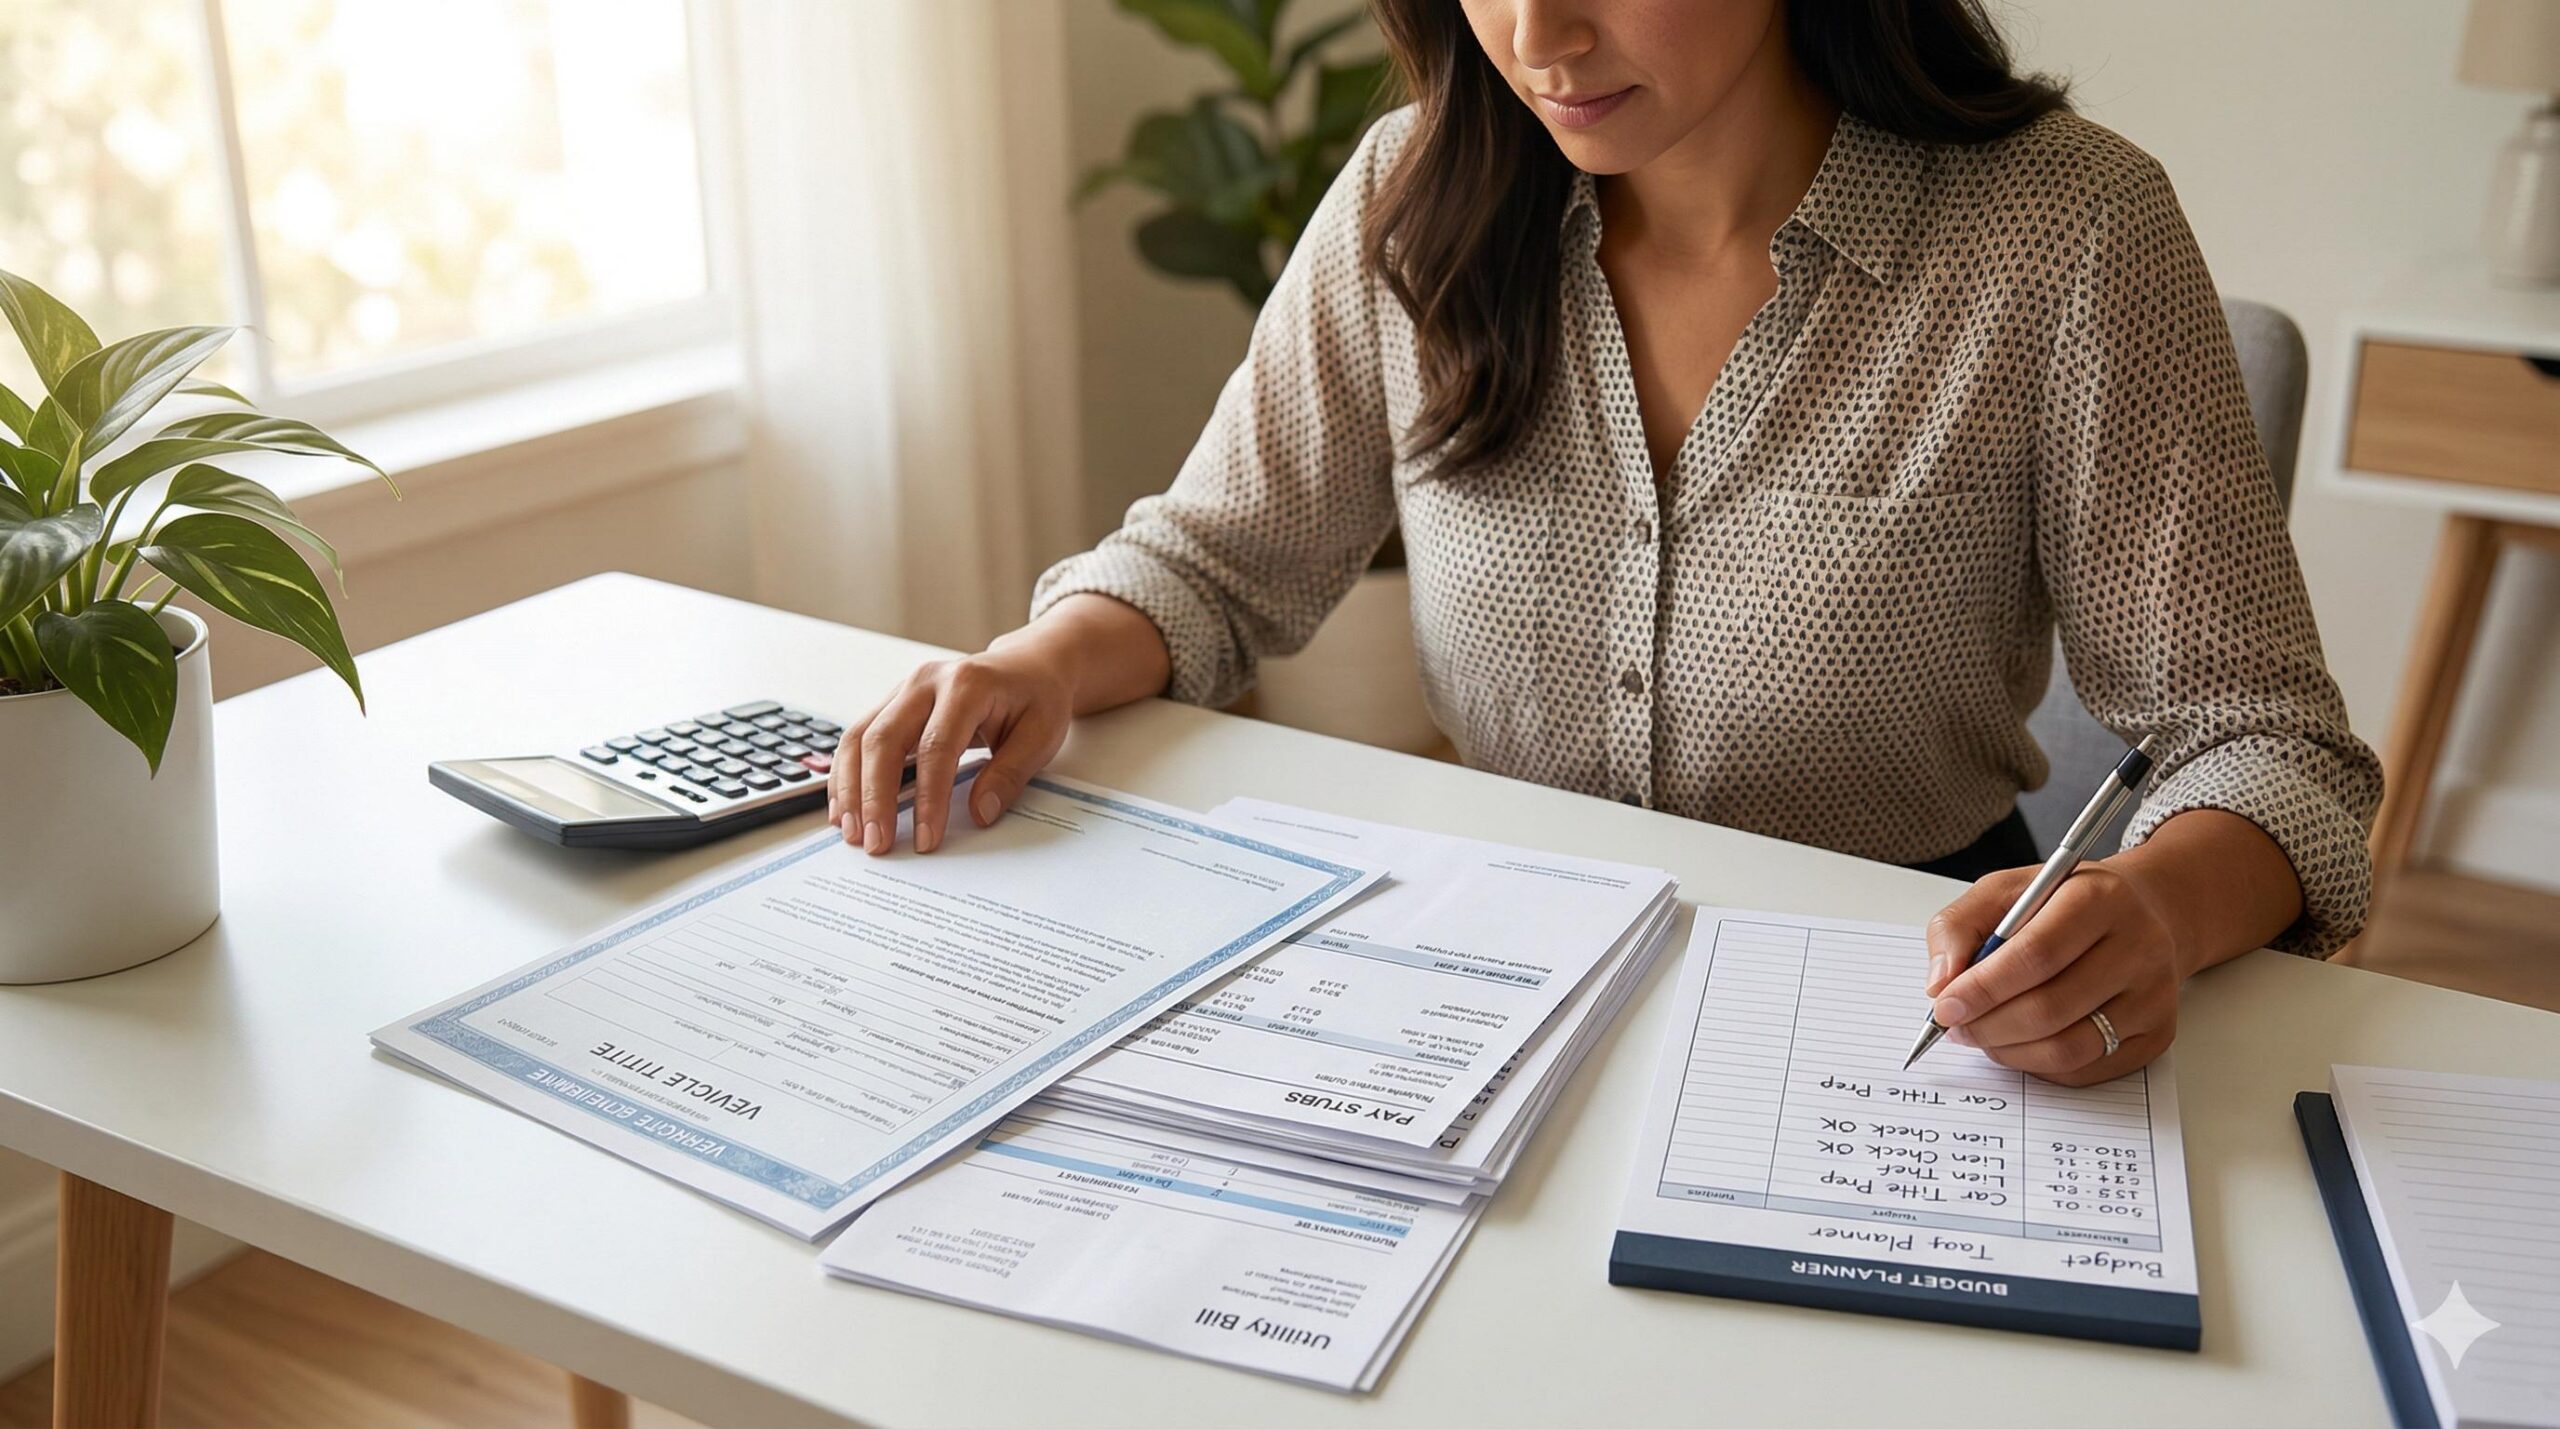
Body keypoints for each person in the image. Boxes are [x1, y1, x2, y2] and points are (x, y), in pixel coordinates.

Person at [825, 0, 2380, 1087]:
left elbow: (2270, 747)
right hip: (1488, 985)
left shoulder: (2067, 234)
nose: (1537, 34)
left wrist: (2154, 908)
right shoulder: (1412, 197)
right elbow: (1216, 560)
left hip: (1907, 1015)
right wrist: (1039, 660)